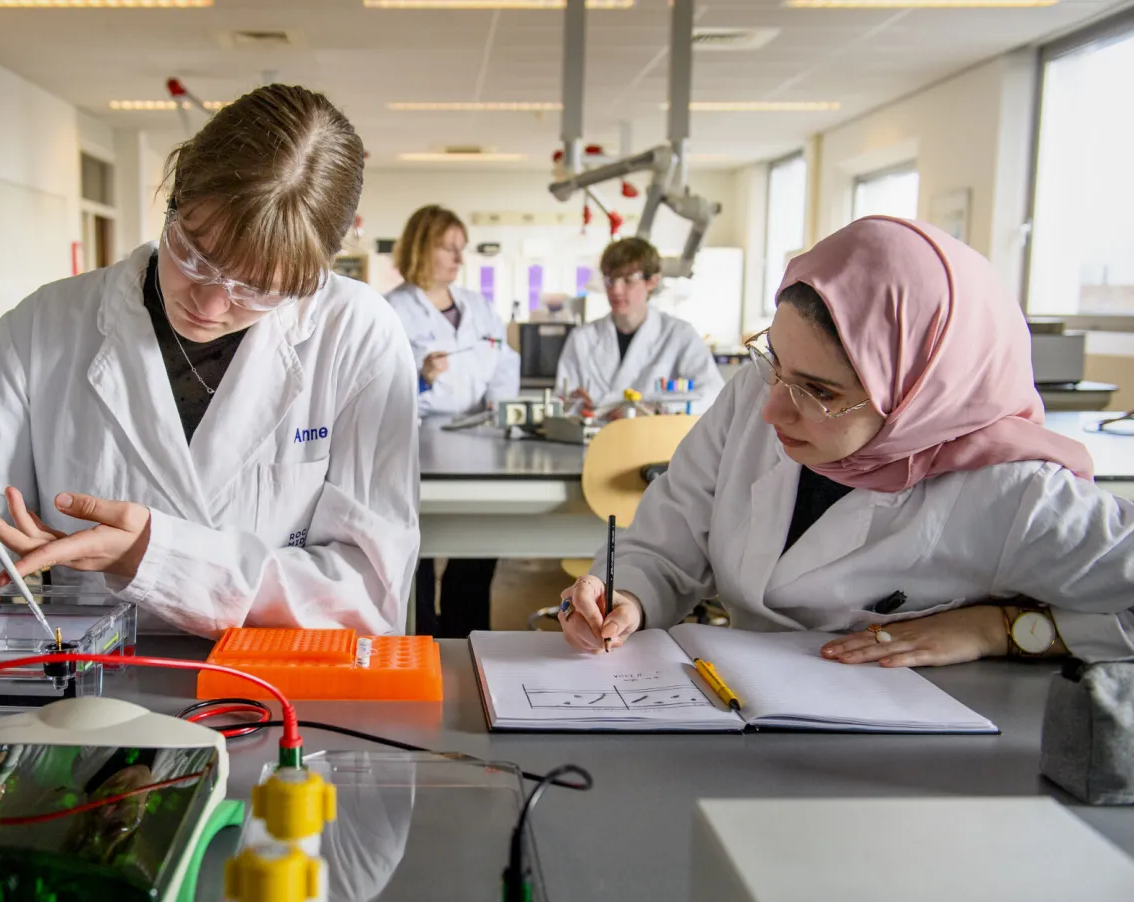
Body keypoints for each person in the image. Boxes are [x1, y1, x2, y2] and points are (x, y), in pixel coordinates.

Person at [0, 84, 420, 638]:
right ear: (175, 196)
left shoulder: (357, 336)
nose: (212, 303)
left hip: (282, 689)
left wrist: (160, 558)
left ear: (315, 272)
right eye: (195, 254)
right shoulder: (45, 326)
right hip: (97, 681)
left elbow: (369, 596)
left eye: (260, 289)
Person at [561, 216, 1134, 667]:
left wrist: (1002, 631)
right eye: (774, 362)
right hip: (738, 721)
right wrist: (626, 596)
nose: (773, 407)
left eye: (820, 391)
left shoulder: (1012, 493)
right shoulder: (753, 397)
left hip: (903, 770)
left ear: (917, 394)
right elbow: (665, 544)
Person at [386, 204, 519, 637]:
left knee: (477, 549)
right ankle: (423, 638)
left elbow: (503, 362)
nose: (459, 259)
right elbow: (376, 385)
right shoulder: (393, 309)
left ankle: (466, 639)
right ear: (422, 247)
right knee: (416, 554)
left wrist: (499, 408)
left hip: (479, 437)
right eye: (449, 248)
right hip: (416, 441)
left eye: (462, 249)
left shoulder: (478, 307)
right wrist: (421, 379)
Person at [556, 236, 724, 414]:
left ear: (652, 281)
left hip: (655, 439)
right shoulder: (582, 338)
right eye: (610, 280)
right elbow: (561, 400)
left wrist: (656, 410)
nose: (616, 290)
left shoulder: (680, 335)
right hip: (592, 439)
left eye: (628, 280)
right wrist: (573, 402)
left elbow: (713, 394)